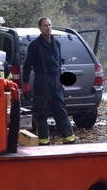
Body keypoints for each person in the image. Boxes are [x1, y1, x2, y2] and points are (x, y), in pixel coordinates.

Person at [22, 17, 75, 145]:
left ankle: (69, 141)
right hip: (42, 82)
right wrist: (26, 85)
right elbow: (27, 66)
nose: (48, 27)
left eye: (50, 25)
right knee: (41, 113)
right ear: (40, 28)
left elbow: (58, 64)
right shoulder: (34, 45)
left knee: (61, 111)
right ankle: (44, 143)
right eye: (45, 25)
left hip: (56, 82)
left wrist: (61, 82)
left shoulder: (56, 43)